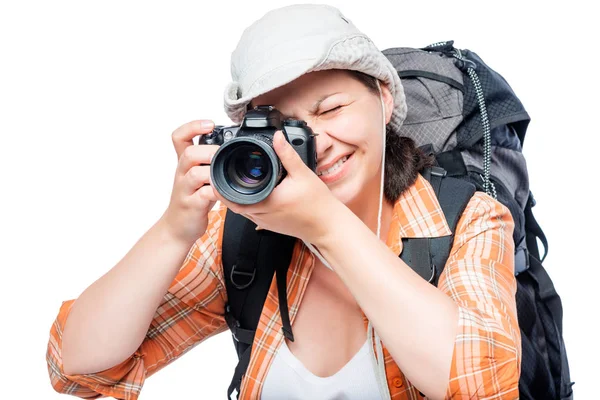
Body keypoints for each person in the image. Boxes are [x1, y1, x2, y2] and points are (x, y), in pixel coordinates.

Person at [46, 4, 521, 399]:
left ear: (384, 98)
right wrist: (173, 229)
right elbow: (75, 365)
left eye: (331, 108)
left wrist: (326, 226)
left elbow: (485, 384)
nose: (315, 142)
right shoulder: (242, 235)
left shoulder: (467, 217)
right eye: (282, 127)